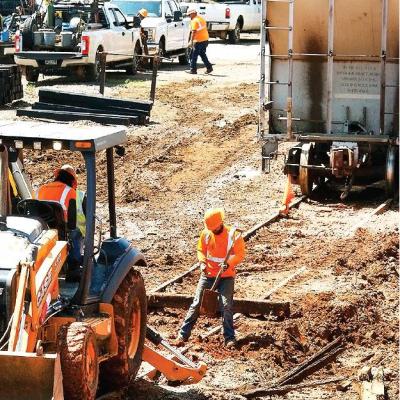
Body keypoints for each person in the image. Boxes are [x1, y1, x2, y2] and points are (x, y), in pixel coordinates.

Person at [174, 208, 245, 348]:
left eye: (215, 228)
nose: (213, 230)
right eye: (211, 229)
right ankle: (182, 335)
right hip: (208, 275)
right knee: (196, 304)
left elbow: (240, 254)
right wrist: (202, 263)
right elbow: (201, 250)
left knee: (226, 305)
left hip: (226, 276)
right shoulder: (206, 234)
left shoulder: (233, 235)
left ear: (221, 223)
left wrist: (229, 263)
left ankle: (229, 338)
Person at [37, 164, 85, 281]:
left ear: (57, 176)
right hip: (60, 232)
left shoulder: (40, 189)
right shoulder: (70, 192)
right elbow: (72, 220)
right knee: (75, 232)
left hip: (41, 231)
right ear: (72, 181)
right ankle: (73, 268)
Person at [187, 8, 213, 74]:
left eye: (189, 15)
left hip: (198, 41)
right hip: (205, 40)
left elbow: (194, 32)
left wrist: (191, 41)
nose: (189, 16)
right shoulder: (201, 19)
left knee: (193, 55)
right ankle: (209, 67)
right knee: (202, 54)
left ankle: (193, 70)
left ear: (193, 13)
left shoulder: (195, 21)